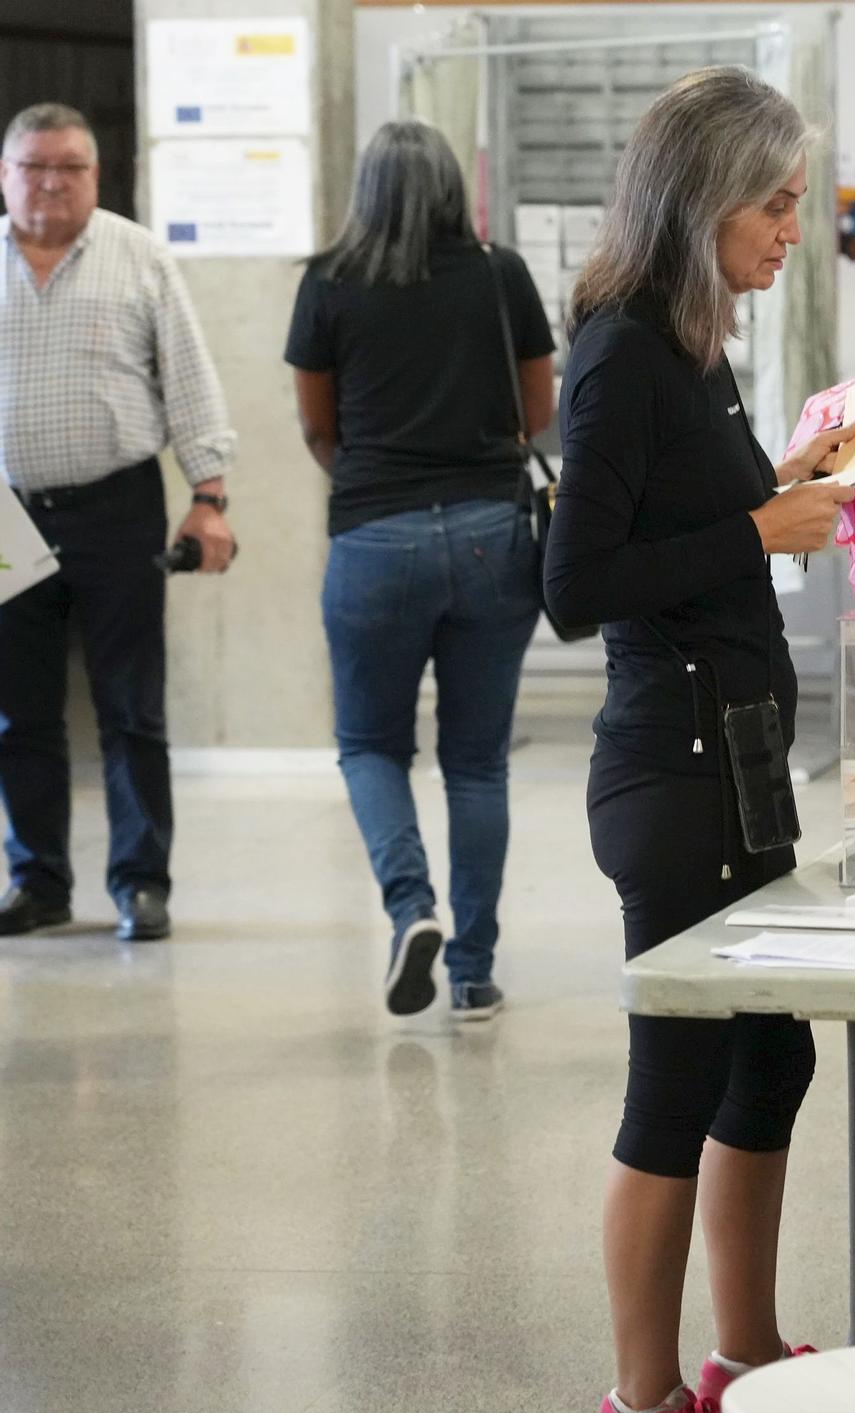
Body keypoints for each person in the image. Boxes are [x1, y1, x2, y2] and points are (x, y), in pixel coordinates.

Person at [542, 68, 855, 1413]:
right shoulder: (618, 348)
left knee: (770, 1057)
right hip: (669, 772)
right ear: (704, 200)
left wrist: (787, 486)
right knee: (676, 1077)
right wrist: (753, 532)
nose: (795, 230)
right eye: (776, 206)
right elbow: (573, 585)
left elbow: (694, 507)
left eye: (798, 205)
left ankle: (743, 1350)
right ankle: (644, 1395)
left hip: (735, 756)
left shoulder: (693, 337)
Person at [283, 121, 553, 1021]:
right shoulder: (499, 273)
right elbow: (540, 406)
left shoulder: (327, 281)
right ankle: (473, 973)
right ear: (450, 187)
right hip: (491, 535)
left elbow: (320, 428)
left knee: (370, 745)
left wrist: (378, 484)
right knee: (477, 763)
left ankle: (413, 910)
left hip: (373, 539)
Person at [0, 102, 236, 943]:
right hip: (7, 518)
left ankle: (140, 883)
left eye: (71, 166)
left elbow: (191, 384)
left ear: (95, 176)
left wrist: (209, 498)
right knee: (18, 713)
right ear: (6, 174)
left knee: (130, 706)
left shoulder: (138, 257)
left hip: (116, 506)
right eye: (35, 166)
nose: (52, 183)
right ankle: (38, 882)